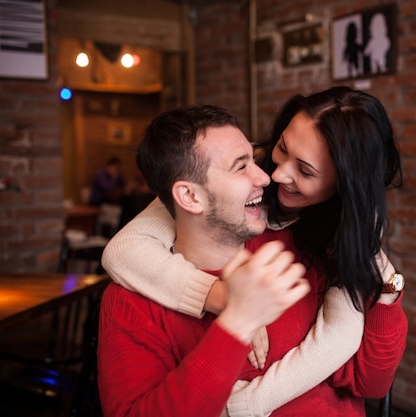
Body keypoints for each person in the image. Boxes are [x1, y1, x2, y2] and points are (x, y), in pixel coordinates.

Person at [101, 87, 407, 415]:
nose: (272, 175)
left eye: (305, 171)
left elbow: (366, 375)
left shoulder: (325, 243)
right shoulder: (139, 291)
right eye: (281, 149)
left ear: (342, 186)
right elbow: (124, 248)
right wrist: (225, 303)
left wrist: (386, 290)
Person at [98, 105, 311, 417]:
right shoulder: (130, 302)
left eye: (254, 160)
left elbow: (369, 382)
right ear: (190, 197)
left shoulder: (296, 247)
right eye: (240, 167)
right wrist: (238, 322)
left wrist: (387, 287)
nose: (265, 177)